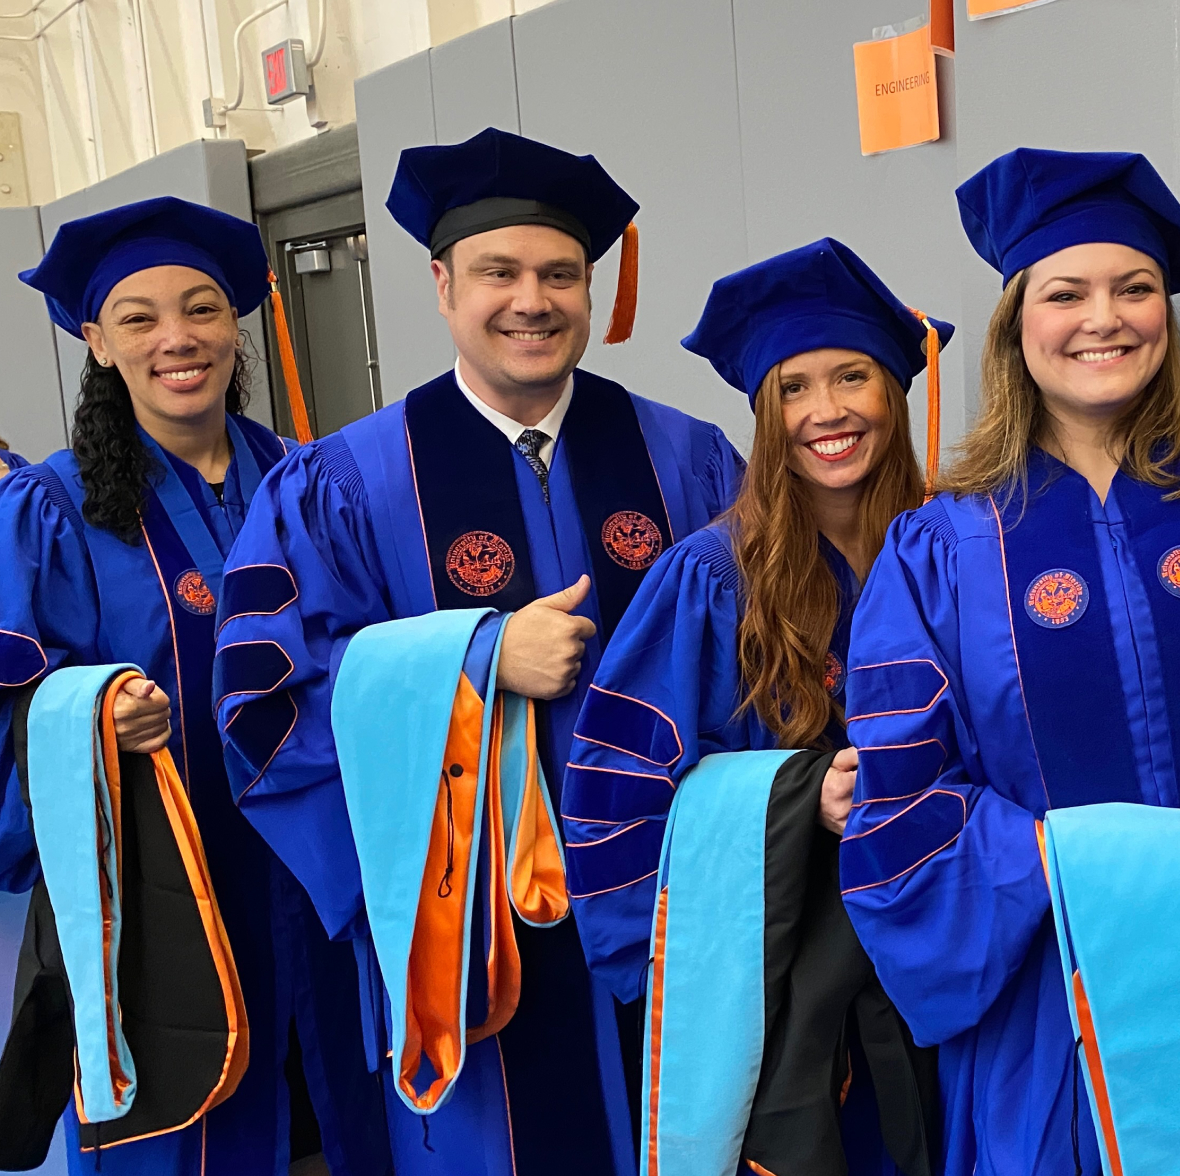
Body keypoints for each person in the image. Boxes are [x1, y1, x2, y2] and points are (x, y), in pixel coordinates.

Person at [212, 129, 743, 1176]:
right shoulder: (347, 483)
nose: (531, 301)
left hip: (674, 913)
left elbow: (766, 667)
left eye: (559, 275)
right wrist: (478, 658)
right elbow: (270, 697)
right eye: (499, 272)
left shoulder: (686, 458)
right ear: (443, 284)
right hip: (469, 936)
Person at [837, 149, 1180, 1176]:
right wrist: (1083, 868)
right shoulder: (942, 547)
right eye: (1065, 293)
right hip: (1049, 997)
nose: (1104, 318)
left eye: (1134, 288)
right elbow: (903, 798)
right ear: (1016, 323)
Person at [0, 197, 390, 1174]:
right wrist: (88, 713)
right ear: (97, 342)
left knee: (340, 1118)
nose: (177, 337)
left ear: (234, 326)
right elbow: (13, 700)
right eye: (139, 318)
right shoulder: (50, 509)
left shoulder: (311, 480)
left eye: (202, 308)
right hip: (163, 900)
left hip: (318, 880)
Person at [569, 238, 951, 1175]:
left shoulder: (952, 548)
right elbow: (617, 792)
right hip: (784, 989)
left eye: (853, 376)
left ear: (894, 393)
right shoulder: (709, 579)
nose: (827, 411)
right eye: (793, 388)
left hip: (942, 954)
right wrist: (800, 793)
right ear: (764, 415)